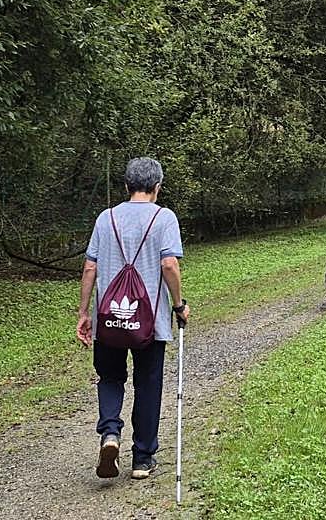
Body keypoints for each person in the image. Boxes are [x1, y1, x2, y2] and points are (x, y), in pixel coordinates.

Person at [77, 157, 191, 480]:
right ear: (157, 188)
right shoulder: (164, 218)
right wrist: (179, 305)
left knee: (110, 378)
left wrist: (84, 313)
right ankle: (142, 459)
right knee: (148, 384)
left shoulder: (105, 218)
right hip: (149, 323)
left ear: (126, 187)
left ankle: (110, 433)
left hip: (109, 321)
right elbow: (169, 265)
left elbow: (90, 267)